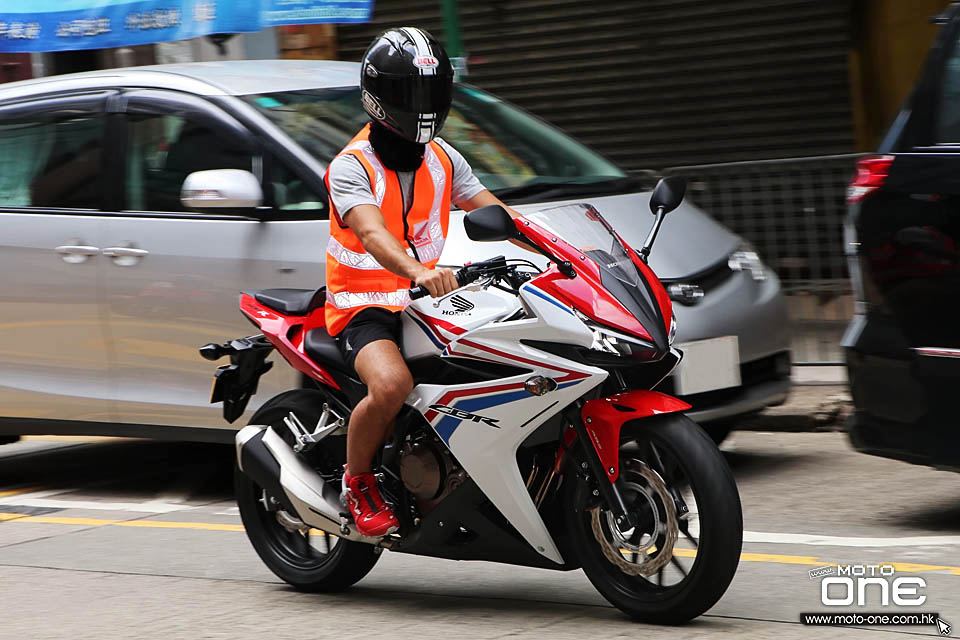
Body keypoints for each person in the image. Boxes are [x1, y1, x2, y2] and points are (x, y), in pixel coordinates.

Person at [326, 27, 522, 537]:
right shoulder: (350, 166)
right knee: (392, 384)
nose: (424, 105)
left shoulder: (444, 158)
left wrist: (566, 256)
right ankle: (359, 480)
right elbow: (370, 231)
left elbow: (498, 215)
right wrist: (416, 271)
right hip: (364, 303)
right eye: (412, 93)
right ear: (380, 96)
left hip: (429, 301)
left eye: (432, 93)